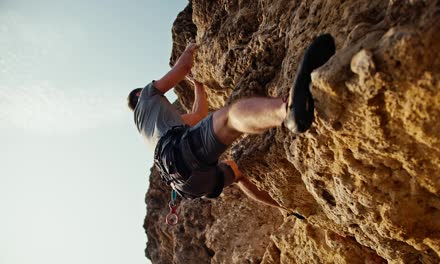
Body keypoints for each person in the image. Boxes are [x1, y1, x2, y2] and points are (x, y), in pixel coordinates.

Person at [128, 34, 336, 212]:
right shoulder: (147, 95)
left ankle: (287, 209)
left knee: (238, 172)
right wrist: (191, 48)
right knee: (229, 118)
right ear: (139, 94)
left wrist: (198, 86)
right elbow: (183, 66)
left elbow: (199, 116)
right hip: (179, 156)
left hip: (188, 185)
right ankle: (287, 110)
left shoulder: (152, 127)